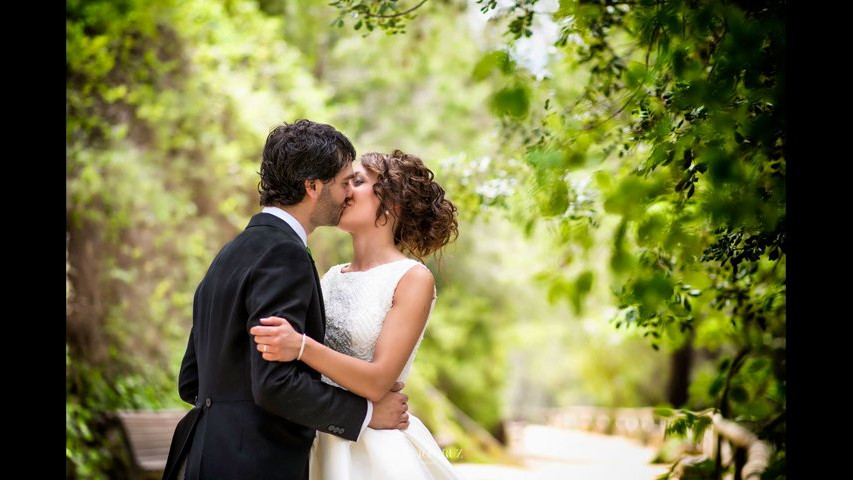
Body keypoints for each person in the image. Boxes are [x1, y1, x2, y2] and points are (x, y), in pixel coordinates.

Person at [163, 120, 411, 480]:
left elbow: (191, 380)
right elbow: (274, 384)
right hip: (253, 464)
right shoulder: (285, 255)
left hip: (201, 455)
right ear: (312, 186)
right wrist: (368, 414)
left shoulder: (228, 255)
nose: (347, 195)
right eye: (343, 183)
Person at [250, 149, 462, 480]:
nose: (345, 190)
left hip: (372, 448)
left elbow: (379, 380)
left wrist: (302, 347)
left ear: (393, 203)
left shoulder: (412, 278)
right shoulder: (332, 276)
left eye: (358, 181)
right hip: (316, 431)